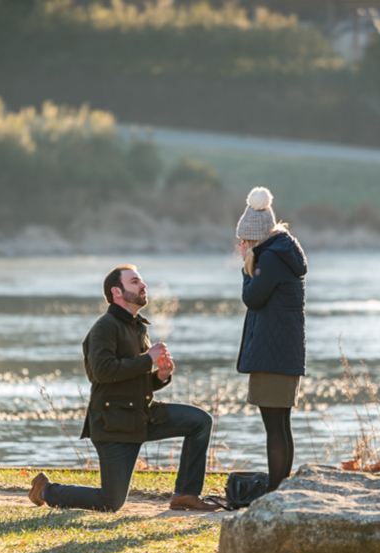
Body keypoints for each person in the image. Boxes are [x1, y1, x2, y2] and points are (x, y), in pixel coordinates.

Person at [28, 265, 219, 512]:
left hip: (144, 415)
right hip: (114, 423)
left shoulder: (138, 326)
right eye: (135, 282)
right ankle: (45, 490)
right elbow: (102, 372)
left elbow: (133, 379)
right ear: (117, 292)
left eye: (141, 281)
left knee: (200, 422)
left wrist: (160, 376)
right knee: (110, 502)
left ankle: (185, 495)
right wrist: (147, 359)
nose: (143, 285)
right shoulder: (104, 327)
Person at [235, 186, 307, 491]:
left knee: (274, 430)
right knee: (281, 427)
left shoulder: (271, 258)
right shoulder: (282, 251)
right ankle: (281, 491)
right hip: (283, 354)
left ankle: (276, 495)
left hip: (271, 356)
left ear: (254, 238)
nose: (242, 245)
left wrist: (246, 266)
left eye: (244, 241)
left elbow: (252, 298)